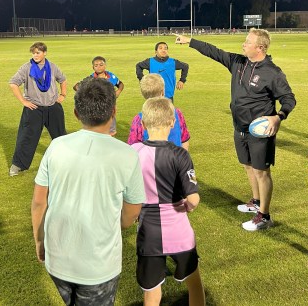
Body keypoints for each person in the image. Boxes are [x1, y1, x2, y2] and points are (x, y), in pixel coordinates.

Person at [31, 78, 145, 306]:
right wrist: (116, 224)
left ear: (75, 113)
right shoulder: (127, 154)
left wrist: (39, 240)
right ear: (114, 111)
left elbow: (39, 202)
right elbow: (132, 212)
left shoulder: (57, 146)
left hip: (58, 257)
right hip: (99, 266)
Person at [175, 28, 296, 231]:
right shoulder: (238, 62)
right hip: (239, 126)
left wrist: (278, 117)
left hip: (259, 132)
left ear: (260, 47)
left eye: (247, 42)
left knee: (262, 172)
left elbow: (289, 99)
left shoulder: (272, 72)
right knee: (248, 166)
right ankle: (256, 201)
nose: (243, 44)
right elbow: (213, 51)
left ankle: (264, 216)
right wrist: (189, 41)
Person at [131, 98, 205, 306]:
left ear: (143, 124)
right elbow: (193, 198)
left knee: (151, 293)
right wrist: (188, 206)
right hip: (178, 230)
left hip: (148, 232)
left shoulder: (133, 152)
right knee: (194, 285)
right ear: (173, 122)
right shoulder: (180, 154)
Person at [9, 42, 68, 177]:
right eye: (33, 53)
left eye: (38, 53)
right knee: (27, 136)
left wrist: (63, 94)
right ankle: (18, 165)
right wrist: (23, 101)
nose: (35, 55)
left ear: (45, 53)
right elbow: (13, 83)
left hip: (53, 107)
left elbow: (63, 80)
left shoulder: (52, 66)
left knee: (60, 136)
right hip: (34, 108)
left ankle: (66, 162)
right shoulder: (27, 67)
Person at [128, 74, 191, 150]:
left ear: (143, 94)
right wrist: (183, 158)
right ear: (163, 92)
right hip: (176, 158)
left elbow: (133, 147)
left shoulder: (138, 119)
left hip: (152, 160)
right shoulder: (177, 114)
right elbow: (184, 140)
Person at [73, 56, 124, 135]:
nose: (99, 67)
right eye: (96, 65)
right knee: (97, 131)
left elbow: (120, 84)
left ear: (105, 65)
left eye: (101, 65)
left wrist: (119, 91)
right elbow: (76, 86)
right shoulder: (91, 79)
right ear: (93, 67)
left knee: (111, 132)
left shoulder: (111, 76)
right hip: (96, 109)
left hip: (110, 108)